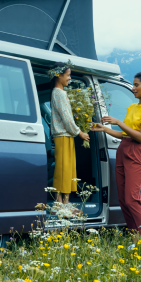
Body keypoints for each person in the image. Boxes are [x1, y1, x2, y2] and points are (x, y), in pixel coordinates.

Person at [91, 72, 141, 234]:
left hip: (137, 152)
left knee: (131, 198)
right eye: (133, 85)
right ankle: (134, 236)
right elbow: (125, 134)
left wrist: (118, 122)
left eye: (136, 85)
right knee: (123, 199)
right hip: (123, 149)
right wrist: (104, 129)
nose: (133, 88)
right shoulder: (132, 107)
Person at [48, 62, 90, 209]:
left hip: (64, 135)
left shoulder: (58, 93)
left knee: (67, 169)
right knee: (63, 168)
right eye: (68, 75)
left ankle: (64, 202)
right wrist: (80, 133)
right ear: (59, 75)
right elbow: (67, 118)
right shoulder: (58, 93)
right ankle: (59, 203)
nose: (69, 79)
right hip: (63, 135)